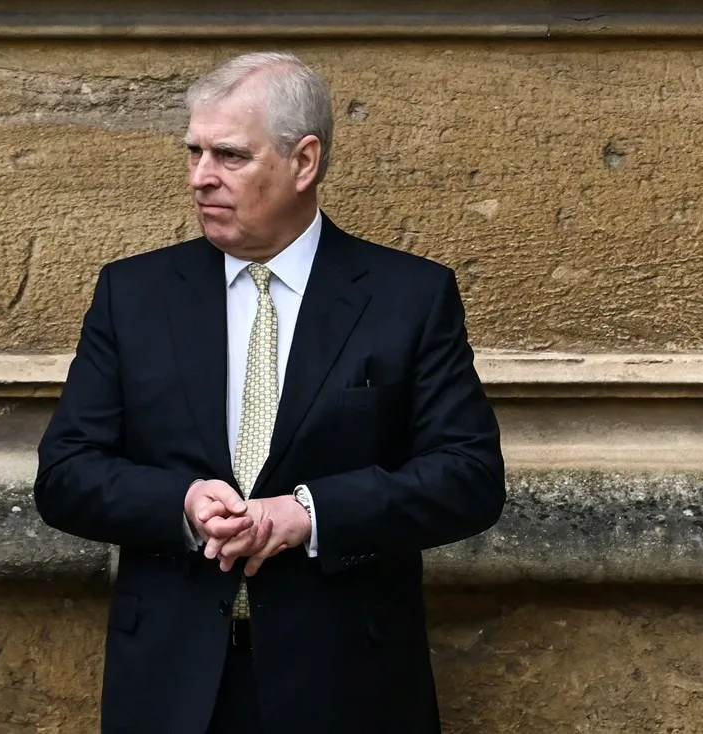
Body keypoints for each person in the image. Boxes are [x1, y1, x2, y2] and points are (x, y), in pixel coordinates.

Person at [33, 51, 506, 734]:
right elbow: (66, 475)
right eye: (193, 152)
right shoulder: (133, 296)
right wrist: (184, 504)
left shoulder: (408, 297)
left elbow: (468, 479)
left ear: (303, 162)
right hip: (172, 687)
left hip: (348, 687)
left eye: (229, 156)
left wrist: (311, 515)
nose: (200, 177)